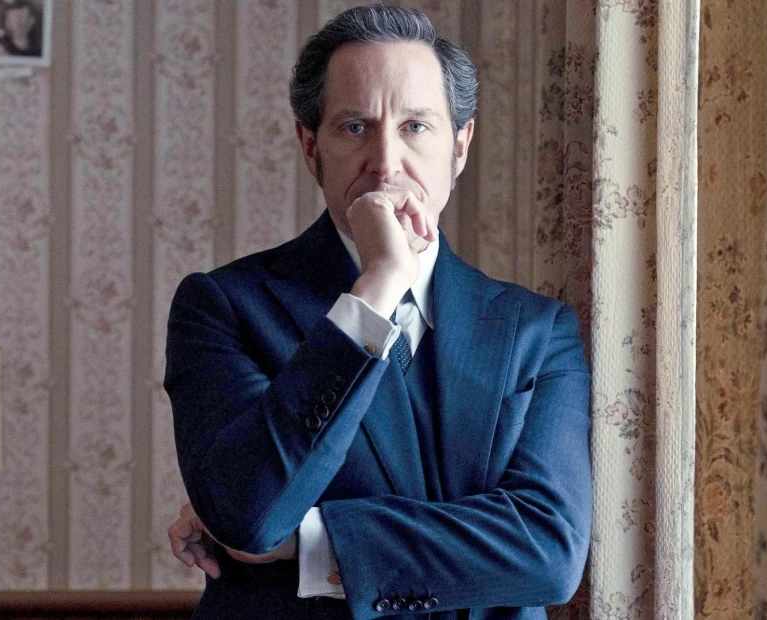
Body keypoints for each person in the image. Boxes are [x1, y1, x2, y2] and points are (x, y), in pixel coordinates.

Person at [164, 6, 591, 619]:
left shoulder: (538, 330)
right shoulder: (222, 307)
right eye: (355, 127)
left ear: (459, 147)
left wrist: (311, 543)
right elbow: (251, 516)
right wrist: (380, 285)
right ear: (311, 146)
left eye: (416, 126)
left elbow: (548, 552)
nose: (386, 163)